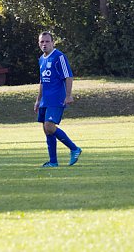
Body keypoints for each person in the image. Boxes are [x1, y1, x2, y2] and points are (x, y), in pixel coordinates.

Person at [34, 32, 81, 167]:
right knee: (46, 129)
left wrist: (68, 95)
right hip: (45, 100)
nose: (44, 44)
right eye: (42, 42)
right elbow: (42, 81)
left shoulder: (59, 57)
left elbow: (68, 76)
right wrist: (38, 100)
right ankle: (53, 162)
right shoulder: (41, 59)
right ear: (39, 44)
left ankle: (74, 149)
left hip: (57, 98)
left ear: (53, 43)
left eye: (47, 41)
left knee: (49, 126)